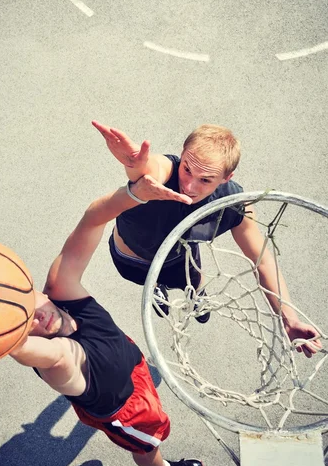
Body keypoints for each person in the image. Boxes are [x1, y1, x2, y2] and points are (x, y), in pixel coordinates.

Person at [9, 185, 204, 466]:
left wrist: (138, 190)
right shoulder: (59, 362)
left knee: (131, 371)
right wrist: (0, 338)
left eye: (26, 302)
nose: (35, 317)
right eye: (23, 323)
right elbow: (29, 349)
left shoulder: (59, 289)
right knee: (148, 444)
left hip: (130, 362)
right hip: (126, 411)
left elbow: (93, 219)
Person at [92, 120, 322, 357]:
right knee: (148, 281)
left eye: (205, 179)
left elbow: (262, 260)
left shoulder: (234, 205)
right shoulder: (162, 174)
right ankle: (156, 288)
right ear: (182, 155)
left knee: (192, 280)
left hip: (177, 260)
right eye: (187, 169)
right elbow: (150, 167)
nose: (189, 185)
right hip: (129, 259)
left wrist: (288, 317)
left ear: (226, 177)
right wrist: (135, 165)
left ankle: (196, 294)